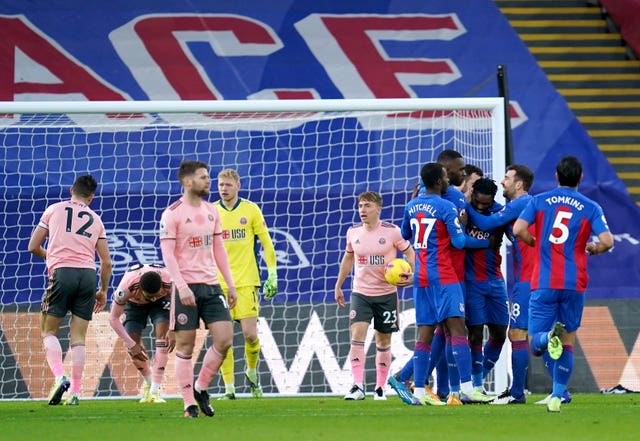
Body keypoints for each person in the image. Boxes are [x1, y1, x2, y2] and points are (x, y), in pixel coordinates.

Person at [513, 155, 614, 413]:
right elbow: (608, 240)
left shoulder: (539, 201)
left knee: (536, 341)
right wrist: (595, 248)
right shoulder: (590, 206)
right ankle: (557, 396)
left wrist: (535, 243)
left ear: (556, 176)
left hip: (544, 280)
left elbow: (518, 230)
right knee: (568, 340)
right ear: (581, 178)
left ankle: (548, 337)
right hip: (574, 282)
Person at [399, 162, 494, 406]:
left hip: (420, 276)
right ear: (440, 182)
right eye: (445, 178)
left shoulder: (411, 205)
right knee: (458, 329)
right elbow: (460, 242)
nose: (447, 182)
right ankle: (466, 388)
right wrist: (485, 242)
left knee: (425, 333)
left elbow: (404, 235)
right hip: (443, 274)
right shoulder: (446, 206)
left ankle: (419, 391)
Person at [159, 160, 238, 418]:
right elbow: (167, 254)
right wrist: (181, 286)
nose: (208, 182)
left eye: (207, 177)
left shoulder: (211, 211)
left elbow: (219, 250)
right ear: (187, 182)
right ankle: (188, 403)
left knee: (225, 339)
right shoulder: (172, 213)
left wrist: (230, 284)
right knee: (185, 346)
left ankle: (201, 387)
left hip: (211, 286)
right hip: (185, 287)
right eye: (203, 177)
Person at [27, 174, 112, 406]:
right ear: (91, 197)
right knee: (79, 337)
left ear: (70, 189)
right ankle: (75, 392)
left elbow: (33, 246)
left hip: (62, 273)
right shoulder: (96, 219)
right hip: (87, 275)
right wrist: (103, 291)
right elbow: (106, 262)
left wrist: (51, 258)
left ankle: (58, 377)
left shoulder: (53, 210)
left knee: (48, 331)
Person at [466, 164, 537, 405]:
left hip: (525, 278)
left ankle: (516, 392)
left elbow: (488, 225)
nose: (502, 181)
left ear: (518, 184)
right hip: (482, 280)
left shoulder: (518, 204)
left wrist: (465, 207)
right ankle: (475, 385)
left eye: (507, 178)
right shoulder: (516, 208)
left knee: (514, 333)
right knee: (531, 334)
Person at [335, 191, 415, 401]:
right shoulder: (353, 232)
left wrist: (413, 275)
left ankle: (380, 388)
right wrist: (338, 285)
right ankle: (357, 386)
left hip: (386, 293)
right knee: (357, 335)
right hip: (361, 292)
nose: (363, 210)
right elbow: (348, 258)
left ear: (378, 209)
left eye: (368, 206)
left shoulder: (392, 232)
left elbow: (410, 253)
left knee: (383, 339)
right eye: (361, 206)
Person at [215, 169, 278, 400]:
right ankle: (229, 388)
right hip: (218, 284)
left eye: (228, 185)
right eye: (221, 184)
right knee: (223, 339)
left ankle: (251, 373)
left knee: (250, 335)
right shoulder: (211, 212)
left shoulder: (251, 210)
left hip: (247, 282)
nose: (224, 188)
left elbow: (267, 244)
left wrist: (272, 274)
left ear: (238, 185)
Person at [464, 178, 508, 396]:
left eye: (486, 204)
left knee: (500, 334)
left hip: (495, 280)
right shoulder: (462, 212)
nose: (482, 207)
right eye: (478, 203)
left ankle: (478, 377)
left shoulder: (500, 213)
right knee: (474, 335)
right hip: (471, 282)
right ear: (472, 193)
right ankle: (477, 386)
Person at [108, 263, 175, 403]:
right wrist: (131, 344)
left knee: (163, 341)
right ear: (141, 289)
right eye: (149, 296)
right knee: (133, 347)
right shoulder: (126, 288)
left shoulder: (169, 282)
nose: (152, 299)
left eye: (155, 295)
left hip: (162, 304)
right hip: (134, 305)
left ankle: (155, 391)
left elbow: (179, 304)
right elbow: (113, 319)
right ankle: (149, 384)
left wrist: (173, 329)